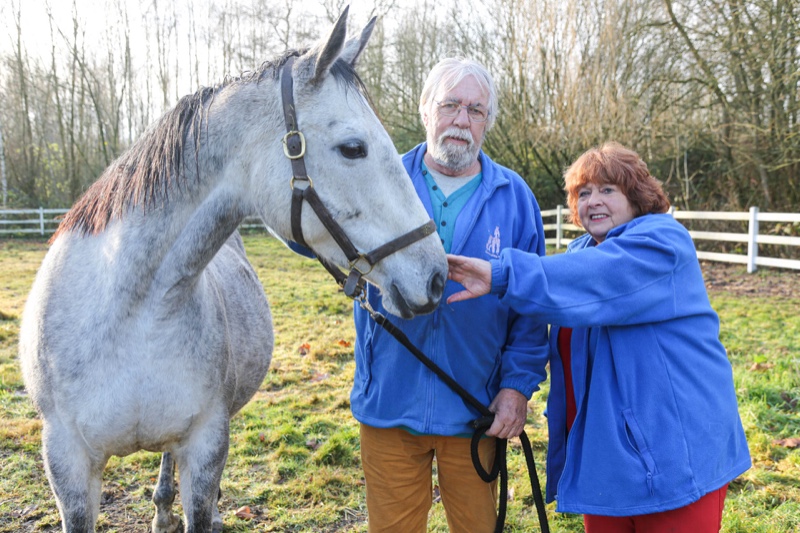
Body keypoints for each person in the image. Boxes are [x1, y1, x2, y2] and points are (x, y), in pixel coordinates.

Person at [446, 142, 751, 532]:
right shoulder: (581, 254)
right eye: (583, 193)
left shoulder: (662, 243)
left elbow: (598, 279)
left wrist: (501, 274)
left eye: (608, 189)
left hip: (674, 458)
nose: (593, 201)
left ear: (637, 196)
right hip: (607, 461)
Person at [351, 57, 549, 532]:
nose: (462, 120)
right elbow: (313, 229)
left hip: (476, 411)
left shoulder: (515, 197)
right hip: (390, 405)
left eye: (476, 111)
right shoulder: (378, 178)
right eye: (451, 105)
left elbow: (531, 309)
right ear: (425, 110)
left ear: (487, 122)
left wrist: (516, 387)